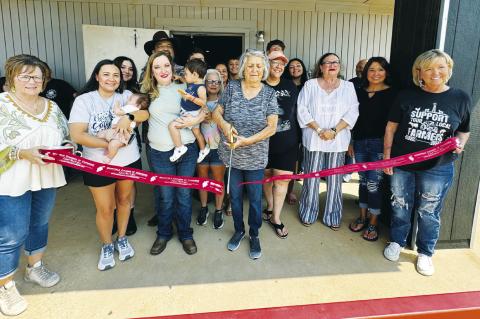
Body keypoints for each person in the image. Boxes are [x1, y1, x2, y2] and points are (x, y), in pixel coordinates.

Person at [383, 49, 471, 276]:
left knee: (429, 210)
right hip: (402, 163)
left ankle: (426, 252)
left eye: (441, 67)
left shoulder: (460, 98)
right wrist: (387, 157)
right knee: (400, 204)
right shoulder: (405, 96)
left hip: (438, 167)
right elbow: (391, 128)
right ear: (419, 72)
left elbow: (463, 131)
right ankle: (397, 241)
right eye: (429, 68)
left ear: (448, 70)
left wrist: (459, 145)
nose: (435, 73)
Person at [0, 54, 69, 316]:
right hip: (11, 179)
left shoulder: (51, 107)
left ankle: (34, 268)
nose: (32, 81)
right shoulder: (2, 104)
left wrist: (68, 148)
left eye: (37, 77)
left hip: (46, 176)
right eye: (25, 76)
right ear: (12, 78)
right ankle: (5, 286)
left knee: (39, 223)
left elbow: (64, 136)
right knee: (11, 233)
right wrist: (21, 153)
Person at [69, 60, 149, 271]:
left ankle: (121, 238)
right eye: (106, 74)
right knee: (105, 209)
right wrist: (112, 143)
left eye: (116, 75)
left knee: (124, 202)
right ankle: (106, 244)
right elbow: (77, 134)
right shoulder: (85, 100)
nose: (112, 79)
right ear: (96, 76)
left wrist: (129, 116)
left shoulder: (125, 96)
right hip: (98, 164)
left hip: (128, 161)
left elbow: (145, 113)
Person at [212, 49, 279, 259]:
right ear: (243, 68)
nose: (255, 70)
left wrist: (247, 141)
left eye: (259, 66)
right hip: (232, 156)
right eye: (250, 65)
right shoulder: (231, 88)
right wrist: (224, 125)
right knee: (235, 197)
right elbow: (216, 112)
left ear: (264, 69)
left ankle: (255, 233)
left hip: (256, 157)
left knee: (256, 200)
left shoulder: (269, 94)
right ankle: (239, 230)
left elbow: (272, 127)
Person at [142, 52, 206, 256]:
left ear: (172, 67)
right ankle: (163, 233)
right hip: (160, 153)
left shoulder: (185, 87)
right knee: (166, 196)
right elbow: (136, 113)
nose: (162, 70)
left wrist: (195, 121)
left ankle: (186, 234)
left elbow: (204, 109)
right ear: (151, 71)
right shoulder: (147, 92)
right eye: (157, 67)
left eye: (166, 66)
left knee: (185, 195)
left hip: (186, 149)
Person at [297, 53, 359, 229]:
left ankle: (332, 216)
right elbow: (302, 110)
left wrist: (333, 131)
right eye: (328, 62)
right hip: (314, 138)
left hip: (338, 140)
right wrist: (318, 129)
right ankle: (308, 212)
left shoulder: (348, 87)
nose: (332, 65)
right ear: (321, 66)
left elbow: (353, 112)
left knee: (334, 180)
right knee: (312, 178)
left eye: (336, 62)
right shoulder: (310, 85)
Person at [347, 57, 398, 241]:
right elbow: (352, 120)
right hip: (359, 142)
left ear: (386, 72)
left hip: (379, 144)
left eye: (380, 70)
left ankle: (373, 222)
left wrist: (387, 152)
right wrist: (351, 142)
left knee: (373, 184)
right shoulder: (358, 92)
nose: (376, 74)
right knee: (362, 181)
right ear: (365, 72)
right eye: (372, 70)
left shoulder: (393, 94)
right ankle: (362, 216)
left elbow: (392, 126)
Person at [262, 51, 299, 239]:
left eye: (281, 63)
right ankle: (269, 206)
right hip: (262, 143)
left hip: (287, 142)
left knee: (282, 180)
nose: (278, 66)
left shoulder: (290, 85)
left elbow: (298, 113)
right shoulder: (258, 85)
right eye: (274, 62)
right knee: (267, 177)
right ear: (266, 64)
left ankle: (276, 217)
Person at [112, 56, 141, 236]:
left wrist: (128, 117)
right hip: (105, 143)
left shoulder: (134, 92)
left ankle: (129, 215)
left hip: (129, 140)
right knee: (112, 182)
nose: (127, 71)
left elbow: (142, 113)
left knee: (129, 182)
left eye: (130, 68)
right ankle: (116, 215)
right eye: (123, 67)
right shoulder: (105, 90)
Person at [196, 69, 226, 229]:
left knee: (218, 181)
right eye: (210, 81)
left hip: (218, 148)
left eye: (217, 81)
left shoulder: (225, 101)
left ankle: (219, 210)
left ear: (220, 84)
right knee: (203, 180)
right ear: (205, 83)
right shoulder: (198, 100)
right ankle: (204, 207)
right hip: (201, 148)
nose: (213, 84)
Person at [168, 59, 210, 163]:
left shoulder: (201, 88)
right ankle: (203, 149)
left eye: (186, 74)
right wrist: (179, 78)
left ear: (195, 74)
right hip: (189, 112)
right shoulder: (193, 83)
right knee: (197, 133)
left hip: (190, 114)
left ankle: (179, 147)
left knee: (172, 126)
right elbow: (185, 79)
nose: (185, 76)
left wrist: (191, 98)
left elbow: (203, 103)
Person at [282, 57, 309, 204]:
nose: (295, 68)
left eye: (298, 65)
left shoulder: (309, 85)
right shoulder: (284, 85)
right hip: (288, 126)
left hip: (304, 126)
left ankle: (289, 191)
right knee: (286, 160)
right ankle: (280, 189)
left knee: (295, 162)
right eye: (291, 66)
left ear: (303, 68)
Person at [97, 93, 149, 162]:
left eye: (130, 99)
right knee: (104, 137)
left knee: (113, 144)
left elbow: (118, 112)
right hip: (116, 130)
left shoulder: (131, 108)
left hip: (122, 133)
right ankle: (109, 150)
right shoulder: (132, 109)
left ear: (138, 106)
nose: (127, 100)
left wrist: (117, 104)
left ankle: (109, 157)